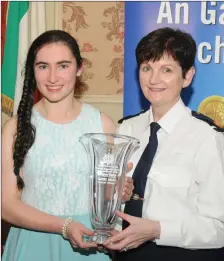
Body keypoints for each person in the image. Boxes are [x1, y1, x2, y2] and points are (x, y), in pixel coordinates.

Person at [2, 30, 134, 261]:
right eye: (43, 66)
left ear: (79, 68)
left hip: (88, 245)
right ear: (33, 71)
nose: (52, 77)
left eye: (63, 65)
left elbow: (106, 194)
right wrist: (64, 226)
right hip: (32, 246)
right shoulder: (15, 127)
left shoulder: (102, 124)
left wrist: (121, 191)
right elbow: (6, 205)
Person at [103, 27, 224, 260]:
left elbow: (219, 227)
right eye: (147, 68)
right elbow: (113, 205)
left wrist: (159, 230)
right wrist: (117, 195)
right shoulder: (127, 129)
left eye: (166, 70)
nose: (154, 79)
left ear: (187, 76)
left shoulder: (207, 137)